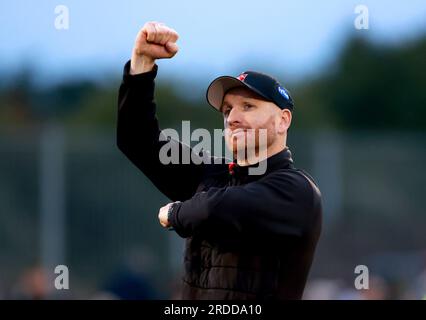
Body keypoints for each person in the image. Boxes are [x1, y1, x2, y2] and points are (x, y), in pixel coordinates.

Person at [116, 21, 322, 300]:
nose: (233, 118)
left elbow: (215, 209)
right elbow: (136, 139)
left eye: (248, 106)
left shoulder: (296, 189)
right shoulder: (213, 174)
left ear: (283, 120)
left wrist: (175, 213)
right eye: (227, 110)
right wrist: (141, 65)